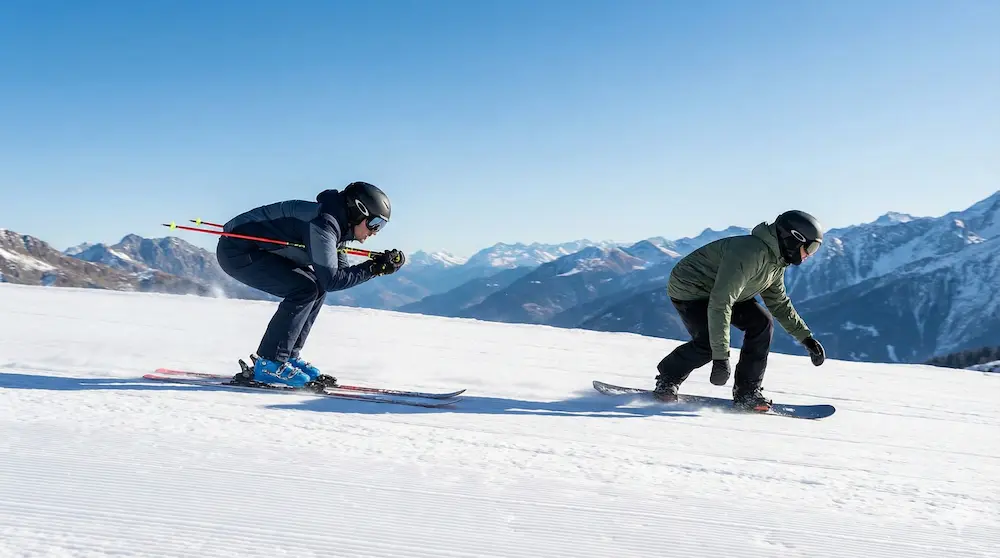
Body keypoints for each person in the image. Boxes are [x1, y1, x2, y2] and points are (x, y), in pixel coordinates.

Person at [215, 181, 406, 388]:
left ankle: (287, 355)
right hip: (237, 251)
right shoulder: (324, 224)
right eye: (375, 223)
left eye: (381, 226)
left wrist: (376, 266)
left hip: (258, 250)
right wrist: (374, 269)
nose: (375, 231)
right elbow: (333, 280)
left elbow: (336, 274)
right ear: (359, 211)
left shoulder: (339, 225)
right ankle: (270, 363)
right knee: (304, 289)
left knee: (316, 287)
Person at [653, 210, 827, 412]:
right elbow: (721, 302)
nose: (810, 255)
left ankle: (747, 393)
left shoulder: (776, 261)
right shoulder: (750, 253)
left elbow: (779, 302)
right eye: (811, 248)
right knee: (708, 344)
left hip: (726, 292)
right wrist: (721, 358)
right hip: (691, 289)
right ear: (794, 239)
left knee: (762, 323)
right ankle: (667, 379)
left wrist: (806, 338)